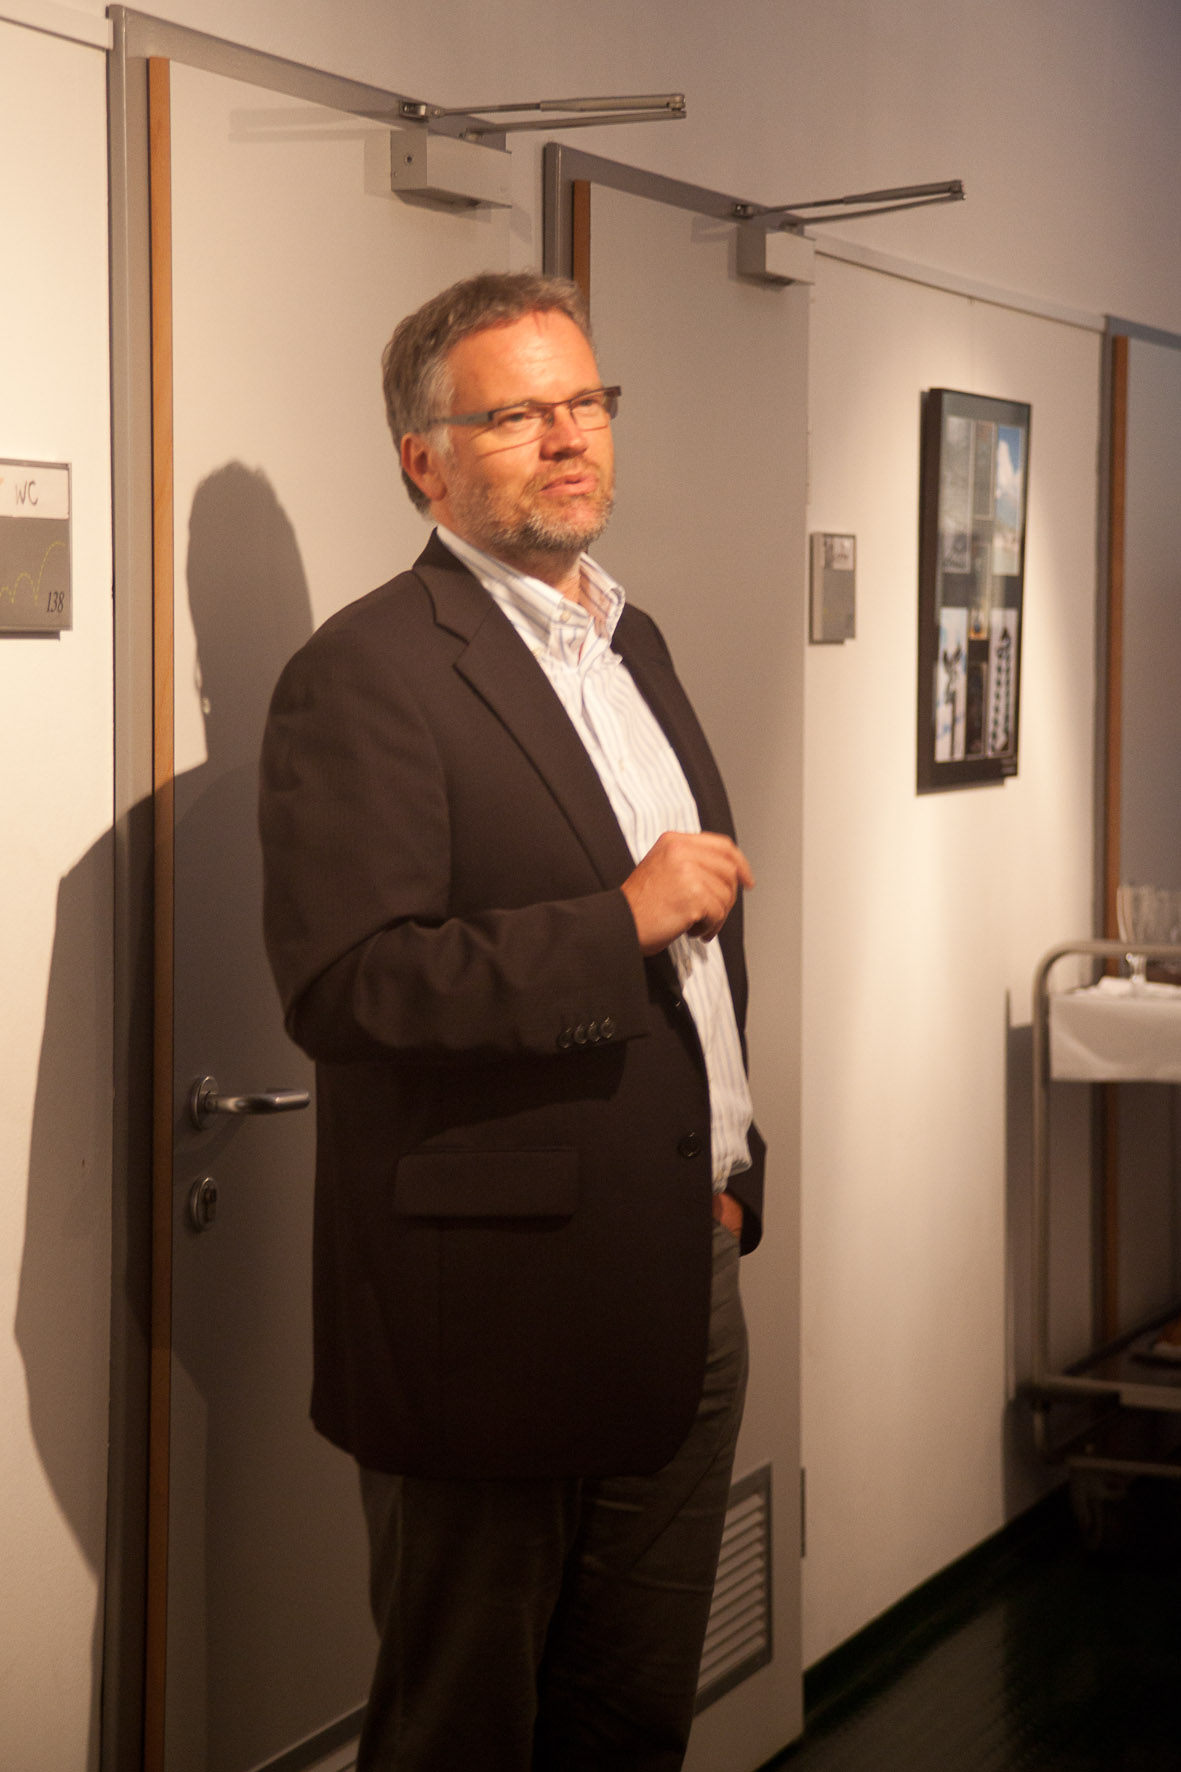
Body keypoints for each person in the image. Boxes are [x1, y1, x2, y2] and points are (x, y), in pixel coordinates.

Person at [259, 270, 765, 1772]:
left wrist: (734, 1183)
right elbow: (350, 983)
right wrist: (617, 921)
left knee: (630, 1723)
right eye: (518, 414)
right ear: (423, 460)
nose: (568, 437)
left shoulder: (629, 642)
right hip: (488, 1315)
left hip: (684, 1270)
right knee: (464, 1732)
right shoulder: (366, 671)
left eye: (586, 402)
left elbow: (705, 966)